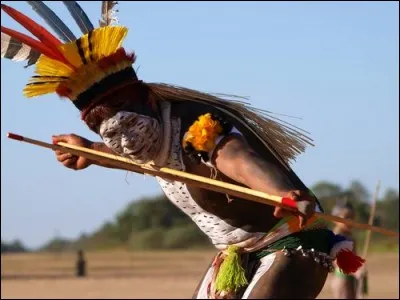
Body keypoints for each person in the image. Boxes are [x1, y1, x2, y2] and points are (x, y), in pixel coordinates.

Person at [1, 2, 364, 298]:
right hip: (237, 255)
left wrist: (281, 192)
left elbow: (237, 160)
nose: (125, 141)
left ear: (147, 98)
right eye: (111, 134)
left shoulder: (198, 128)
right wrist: (93, 152)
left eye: (129, 124)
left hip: (291, 242)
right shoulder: (151, 135)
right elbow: (149, 159)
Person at [330, 204, 367, 299]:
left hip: (352, 279)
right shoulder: (336, 237)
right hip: (342, 279)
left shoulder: (351, 238)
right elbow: (337, 262)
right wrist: (356, 272)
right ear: (335, 219)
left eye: (352, 217)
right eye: (346, 217)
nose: (350, 221)